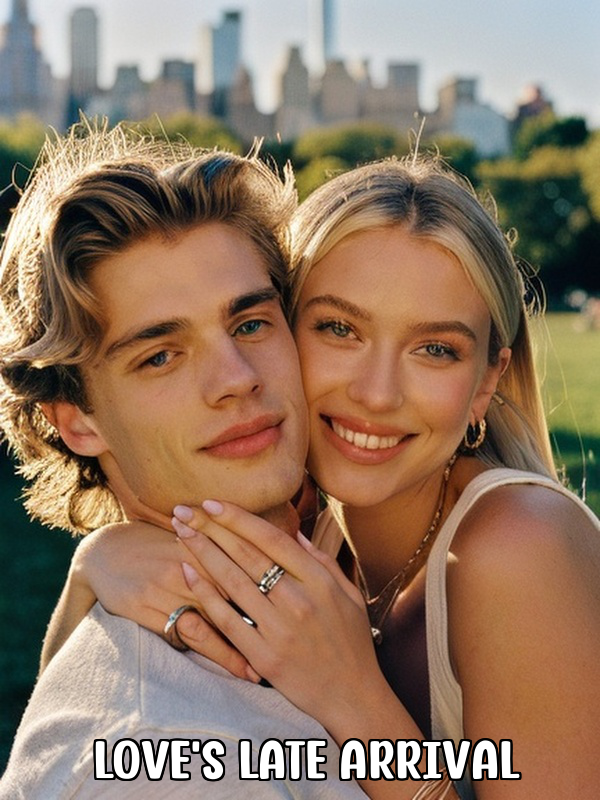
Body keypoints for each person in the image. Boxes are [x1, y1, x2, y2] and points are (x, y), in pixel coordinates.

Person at [45, 155, 600, 799]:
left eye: (435, 349)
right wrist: (93, 566)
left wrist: (356, 700)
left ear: (484, 385)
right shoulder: (311, 532)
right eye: (339, 329)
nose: (377, 393)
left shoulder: (519, 547)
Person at [0, 122, 368, 799]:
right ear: (76, 420)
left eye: (250, 323)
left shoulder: (377, 558)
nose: (237, 379)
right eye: (160, 356)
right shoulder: (169, 764)